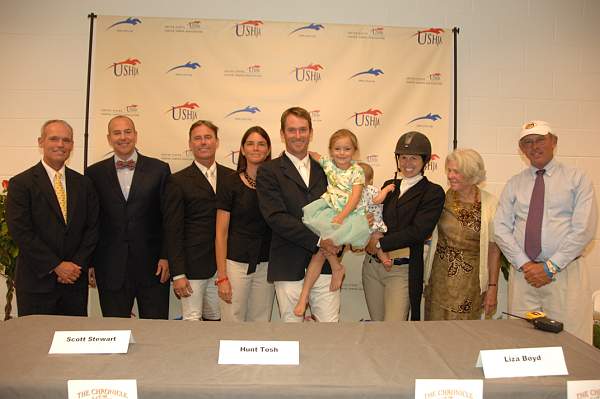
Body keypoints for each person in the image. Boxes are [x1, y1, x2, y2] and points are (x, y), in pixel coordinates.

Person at [494, 120, 597, 343]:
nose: (534, 146)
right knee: (522, 341)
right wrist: (526, 265)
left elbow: (584, 230)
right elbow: (500, 228)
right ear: (522, 149)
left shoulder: (577, 179)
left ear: (554, 142)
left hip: (565, 273)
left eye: (540, 139)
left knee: (571, 341)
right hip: (524, 276)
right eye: (527, 142)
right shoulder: (514, 184)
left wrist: (550, 267)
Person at [6, 120, 99, 316]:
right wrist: (56, 266)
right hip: (37, 283)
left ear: (72, 145)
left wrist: (76, 265)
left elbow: (93, 228)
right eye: (54, 139)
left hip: (74, 283)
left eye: (66, 140)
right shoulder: (21, 184)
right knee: (36, 343)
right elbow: (21, 231)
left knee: (72, 342)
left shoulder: (84, 184)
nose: (60, 144)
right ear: (41, 142)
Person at [257, 106, 341, 322]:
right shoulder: (269, 171)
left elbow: (341, 206)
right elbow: (276, 217)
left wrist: (343, 235)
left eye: (303, 130)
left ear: (311, 133)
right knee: (291, 333)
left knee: (329, 330)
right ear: (282, 134)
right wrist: (320, 240)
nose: (298, 135)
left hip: (325, 264)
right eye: (292, 130)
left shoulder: (327, 168)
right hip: (288, 263)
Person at [86, 115, 171, 319]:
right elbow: (90, 221)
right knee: (115, 331)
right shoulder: (93, 173)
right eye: (117, 133)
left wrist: (167, 256)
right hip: (110, 268)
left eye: (127, 132)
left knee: (157, 331)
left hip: (154, 268)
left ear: (135, 135)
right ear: (109, 138)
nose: (123, 137)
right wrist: (90, 262)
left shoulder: (159, 170)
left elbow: (169, 218)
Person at [294, 129, 384, 317]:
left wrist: (342, 216)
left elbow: (356, 196)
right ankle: (334, 269)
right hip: (330, 210)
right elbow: (315, 156)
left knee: (320, 254)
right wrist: (302, 153)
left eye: (347, 149)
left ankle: (305, 295)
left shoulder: (357, 170)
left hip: (349, 215)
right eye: (337, 149)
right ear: (331, 150)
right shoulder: (329, 165)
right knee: (322, 249)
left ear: (354, 151)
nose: (342, 153)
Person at [364, 131, 445, 321]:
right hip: (372, 266)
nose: (407, 163)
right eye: (403, 157)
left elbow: (418, 232)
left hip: (400, 269)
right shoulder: (388, 186)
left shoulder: (433, 192)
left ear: (424, 161)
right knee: (376, 326)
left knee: (394, 329)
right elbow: (373, 216)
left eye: (414, 158)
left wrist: (378, 243)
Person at [164, 120, 235, 321]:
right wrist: (178, 274)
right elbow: (173, 230)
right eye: (197, 138)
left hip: (224, 266)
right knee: (192, 320)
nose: (203, 142)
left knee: (216, 320)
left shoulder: (231, 177)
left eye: (208, 137)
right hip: (192, 268)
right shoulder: (177, 181)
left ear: (217, 142)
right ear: (190, 144)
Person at [424, 148, 501, 320]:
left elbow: (494, 249)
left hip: (470, 284)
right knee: (433, 332)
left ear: (472, 174)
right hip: (439, 280)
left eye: (456, 172)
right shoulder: (440, 198)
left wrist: (492, 287)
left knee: (463, 335)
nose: (450, 175)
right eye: (449, 170)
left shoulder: (490, 204)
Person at [215, 126, 274, 321]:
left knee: (260, 322)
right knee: (232, 320)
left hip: (266, 265)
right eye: (250, 143)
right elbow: (221, 233)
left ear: (268, 149)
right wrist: (222, 276)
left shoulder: (276, 185)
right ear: (242, 149)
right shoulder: (229, 183)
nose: (255, 148)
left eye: (261, 144)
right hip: (235, 265)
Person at [357, 162, 395, 266]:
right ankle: (385, 260)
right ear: (371, 180)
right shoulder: (369, 189)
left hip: (361, 226)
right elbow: (377, 200)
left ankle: (384, 259)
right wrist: (386, 190)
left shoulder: (354, 192)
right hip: (373, 223)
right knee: (379, 240)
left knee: (374, 243)